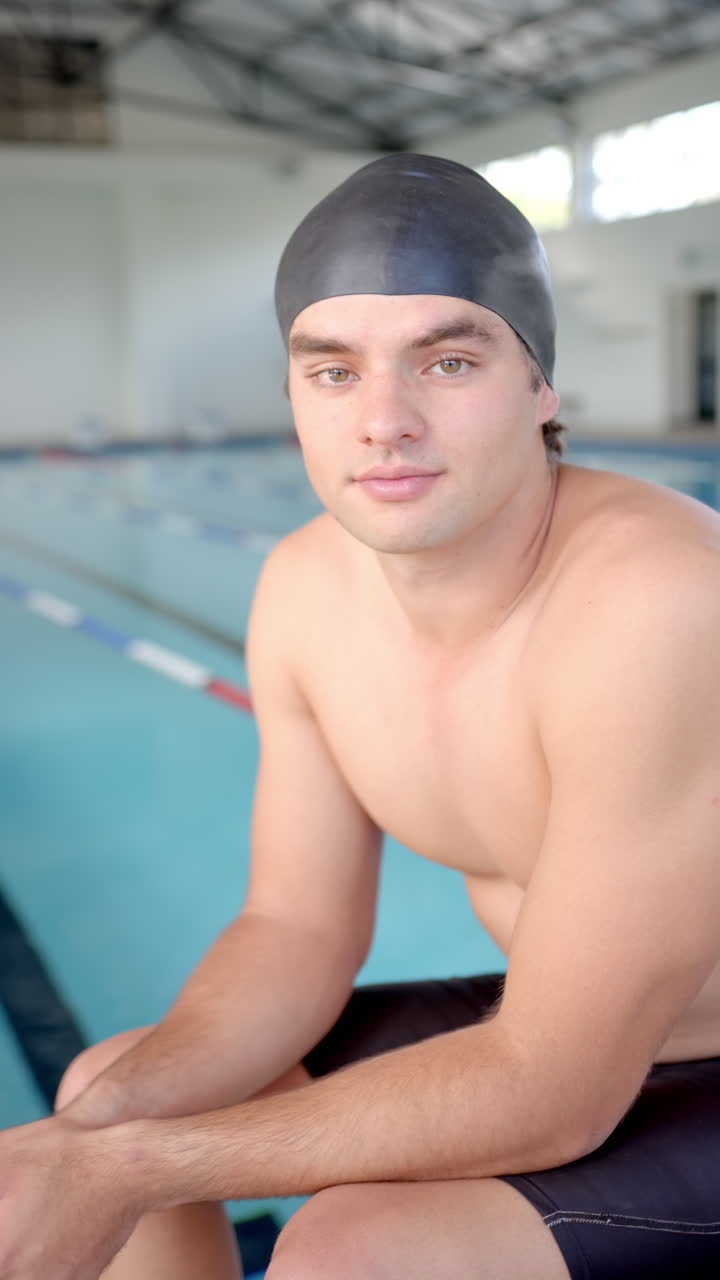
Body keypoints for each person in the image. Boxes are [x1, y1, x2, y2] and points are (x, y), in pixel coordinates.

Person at [3, 153, 720, 1280]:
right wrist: (94, 1137)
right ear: (294, 394)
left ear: (542, 385)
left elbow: (553, 1089)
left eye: (447, 359)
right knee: (105, 1091)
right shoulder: (302, 588)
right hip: (571, 1031)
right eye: (333, 371)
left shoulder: (658, 600)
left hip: (615, 1063)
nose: (385, 420)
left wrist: (128, 1164)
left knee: (353, 1248)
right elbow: (294, 928)